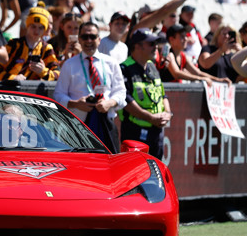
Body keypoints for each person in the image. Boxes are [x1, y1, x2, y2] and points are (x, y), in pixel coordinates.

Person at [54, 21, 126, 153]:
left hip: (106, 124)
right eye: (84, 37)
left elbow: (121, 92)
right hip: (78, 127)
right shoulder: (69, 64)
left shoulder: (111, 63)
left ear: (99, 39)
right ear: (79, 40)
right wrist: (75, 103)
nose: (89, 41)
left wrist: (109, 103)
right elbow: (58, 95)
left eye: (92, 37)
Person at [119, 30, 172, 159]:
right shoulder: (124, 68)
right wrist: (150, 117)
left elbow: (163, 95)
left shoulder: (152, 67)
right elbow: (126, 100)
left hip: (156, 132)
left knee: (156, 172)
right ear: (137, 46)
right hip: (135, 132)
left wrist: (168, 114)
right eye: (151, 44)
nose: (156, 47)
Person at [0, 3, 59, 81]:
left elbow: (57, 74)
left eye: (41, 28)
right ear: (27, 25)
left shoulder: (46, 48)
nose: (36, 31)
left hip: (31, 92)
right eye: (33, 26)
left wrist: (43, 71)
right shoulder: (14, 44)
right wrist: (13, 78)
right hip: (9, 89)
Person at [161, 24, 231, 85]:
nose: (186, 39)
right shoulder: (169, 55)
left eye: (186, 36)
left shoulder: (183, 56)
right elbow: (177, 74)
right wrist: (200, 79)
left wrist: (218, 80)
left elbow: (198, 72)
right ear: (171, 39)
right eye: (182, 37)